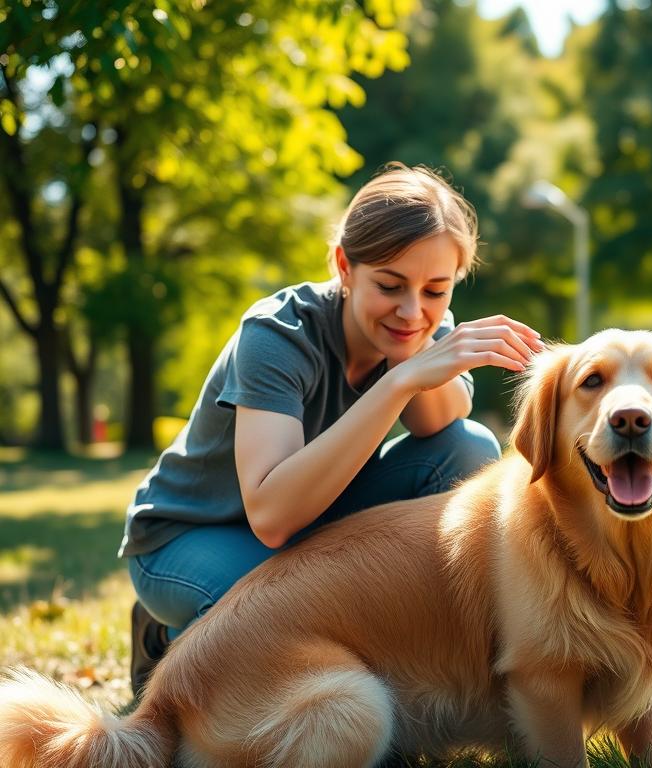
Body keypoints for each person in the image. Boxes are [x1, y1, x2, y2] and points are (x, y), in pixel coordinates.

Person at [119, 163, 543, 697]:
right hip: (190, 533)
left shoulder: (423, 326)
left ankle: (418, 664)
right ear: (345, 265)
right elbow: (272, 517)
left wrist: (412, 358)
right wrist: (401, 381)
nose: (413, 311)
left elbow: (443, 428)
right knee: (271, 618)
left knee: (467, 447)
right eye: (390, 285)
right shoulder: (277, 334)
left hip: (316, 518)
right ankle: (171, 638)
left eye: (436, 290)